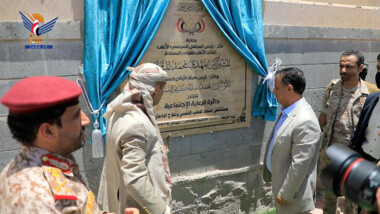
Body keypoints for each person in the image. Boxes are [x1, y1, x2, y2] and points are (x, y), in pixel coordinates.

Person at [0, 76, 140, 214]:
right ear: (48, 131)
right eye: (76, 116)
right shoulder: (35, 198)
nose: (85, 121)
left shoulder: (49, 163)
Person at [98, 63, 172, 214]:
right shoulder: (136, 123)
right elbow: (134, 179)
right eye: (163, 89)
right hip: (136, 207)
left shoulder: (119, 111)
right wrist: (161, 210)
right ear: (156, 89)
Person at [318, 49, 380, 214]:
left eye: (349, 67)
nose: (343, 70)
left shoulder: (370, 93)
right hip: (331, 153)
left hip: (355, 156)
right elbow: (323, 117)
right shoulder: (332, 88)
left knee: (352, 202)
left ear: (360, 68)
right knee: (329, 199)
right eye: (341, 66)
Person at [263, 67, 321, 214]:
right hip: (282, 186)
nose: (274, 92)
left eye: (276, 88)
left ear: (289, 89)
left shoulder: (305, 120)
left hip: (294, 197)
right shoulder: (288, 111)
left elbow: (300, 164)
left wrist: (285, 193)